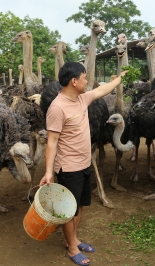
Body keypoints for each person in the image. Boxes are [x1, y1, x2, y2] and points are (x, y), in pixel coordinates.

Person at [39, 62, 128, 266]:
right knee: (68, 210)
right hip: (69, 167)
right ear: (74, 81)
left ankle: (75, 240)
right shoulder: (57, 108)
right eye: (84, 78)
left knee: (78, 206)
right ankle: (71, 248)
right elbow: (51, 142)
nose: (87, 81)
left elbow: (102, 90)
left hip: (84, 162)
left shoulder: (81, 99)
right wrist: (48, 172)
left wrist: (120, 78)